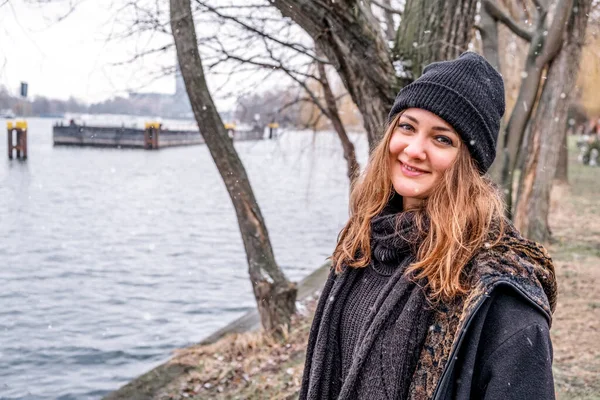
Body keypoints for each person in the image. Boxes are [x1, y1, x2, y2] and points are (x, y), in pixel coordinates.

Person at [299, 52, 557, 400]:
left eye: (442, 139)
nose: (414, 149)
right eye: (407, 127)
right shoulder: (361, 244)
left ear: (469, 162)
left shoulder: (498, 293)